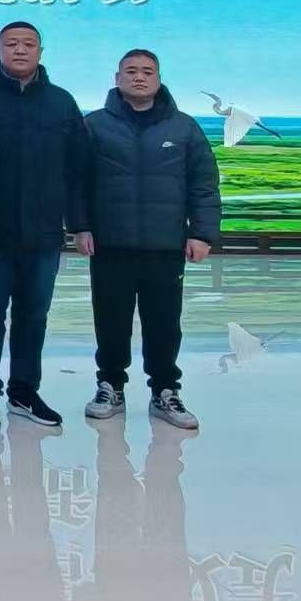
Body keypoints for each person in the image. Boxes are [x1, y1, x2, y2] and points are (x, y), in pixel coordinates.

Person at [0, 21, 91, 429]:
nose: (20, 50)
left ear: (41, 51)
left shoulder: (61, 102)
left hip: (44, 233)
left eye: (28, 44)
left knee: (34, 316)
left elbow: (78, 169)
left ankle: (24, 392)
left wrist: (81, 224)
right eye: (12, 44)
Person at [81, 49, 220, 429]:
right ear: (117, 78)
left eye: (147, 71)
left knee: (164, 323)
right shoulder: (94, 126)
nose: (139, 77)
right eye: (131, 71)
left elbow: (204, 185)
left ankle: (165, 391)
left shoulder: (184, 128)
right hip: (110, 244)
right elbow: (76, 181)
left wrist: (202, 233)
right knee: (110, 320)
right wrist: (80, 226)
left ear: (159, 79)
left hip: (165, 245)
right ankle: (110, 385)